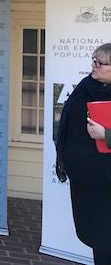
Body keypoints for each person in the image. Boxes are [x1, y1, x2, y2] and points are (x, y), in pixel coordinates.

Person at [55, 43, 111, 265]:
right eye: (93, 60)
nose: (94, 66)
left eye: (100, 63)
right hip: (89, 185)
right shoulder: (86, 85)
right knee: (99, 241)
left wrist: (105, 134)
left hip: (108, 184)